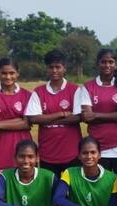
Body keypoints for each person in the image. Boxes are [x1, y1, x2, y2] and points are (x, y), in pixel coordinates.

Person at [25, 49, 82, 177]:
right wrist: (60, 114)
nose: (54, 70)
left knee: (72, 192)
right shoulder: (38, 92)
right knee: (50, 192)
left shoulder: (75, 90)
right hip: (47, 154)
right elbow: (33, 119)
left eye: (58, 67)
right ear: (47, 69)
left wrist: (45, 118)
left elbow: (77, 117)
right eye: (51, 67)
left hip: (71, 153)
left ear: (64, 68)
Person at [80, 48, 117, 173]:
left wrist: (95, 115)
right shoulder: (88, 87)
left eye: (110, 62)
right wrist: (115, 114)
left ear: (116, 65)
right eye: (103, 62)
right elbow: (87, 117)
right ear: (97, 64)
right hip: (98, 148)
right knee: (102, 188)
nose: (107, 65)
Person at [0, 58, 32, 187]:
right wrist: (19, 120)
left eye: (11, 73)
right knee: (1, 195)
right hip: (0, 151)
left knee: (24, 190)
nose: (8, 77)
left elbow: (27, 123)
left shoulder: (28, 95)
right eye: (4, 73)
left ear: (18, 73)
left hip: (24, 149)